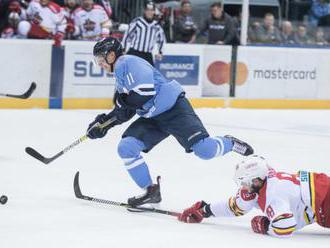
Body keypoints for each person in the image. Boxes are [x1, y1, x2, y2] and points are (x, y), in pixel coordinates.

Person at [87, 37, 254, 207]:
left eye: (101, 59)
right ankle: (151, 191)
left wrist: (119, 107)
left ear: (112, 55)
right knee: (126, 147)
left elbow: (142, 94)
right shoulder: (120, 76)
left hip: (174, 110)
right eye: (97, 60)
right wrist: (104, 124)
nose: (100, 63)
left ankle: (230, 143)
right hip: (153, 117)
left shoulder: (127, 62)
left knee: (205, 150)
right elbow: (126, 110)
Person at [178, 155, 330, 238]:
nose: (242, 186)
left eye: (244, 182)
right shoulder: (262, 183)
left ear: (256, 180)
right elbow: (236, 207)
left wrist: (265, 226)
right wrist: (205, 210)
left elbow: (285, 226)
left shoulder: (272, 194)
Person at [121, 0, 165, 66]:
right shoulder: (137, 22)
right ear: (144, 11)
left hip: (147, 55)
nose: (149, 12)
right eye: (147, 10)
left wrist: (160, 52)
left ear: (154, 11)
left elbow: (161, 40)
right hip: (135, 52)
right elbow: (127, 35)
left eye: (151, 10)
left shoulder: (157, 26)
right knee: (130, 73)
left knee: (150, 74)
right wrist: (123, 49)